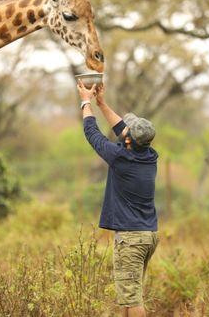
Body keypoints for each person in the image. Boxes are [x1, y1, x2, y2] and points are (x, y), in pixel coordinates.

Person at [77, 81, 159, 317]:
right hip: (148, 234)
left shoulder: (120, 158)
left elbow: (91, 132)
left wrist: (86, 102)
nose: (124, 128)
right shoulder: (149, 155)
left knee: (132, 300)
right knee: (128, 295)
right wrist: (101, 103)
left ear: (128, 141)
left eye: (127, 131)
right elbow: (123, 128)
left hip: (131, 239)